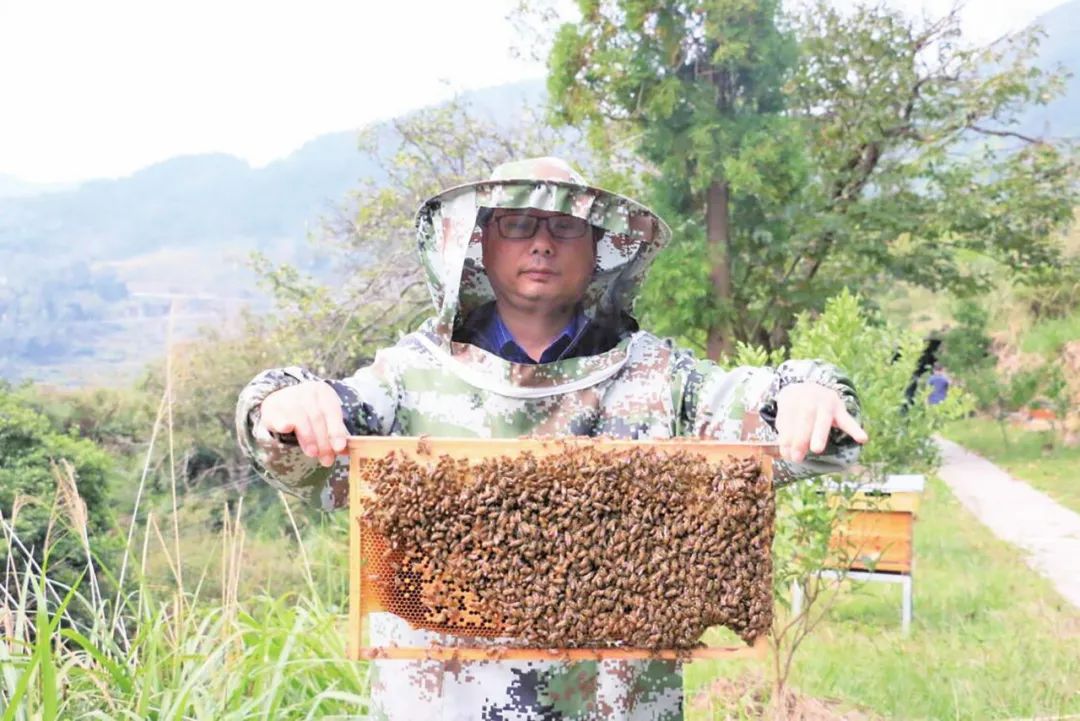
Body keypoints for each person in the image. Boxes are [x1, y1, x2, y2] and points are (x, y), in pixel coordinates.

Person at [235, 157, 868, 720]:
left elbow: (769, 407)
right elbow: (305, 444)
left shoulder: (663, 378)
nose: (542, 243)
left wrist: (809, 395)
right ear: (481, 242)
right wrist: (282, 403)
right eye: (519, 224)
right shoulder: (406, 377)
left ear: (599, 249)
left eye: (565, 227)